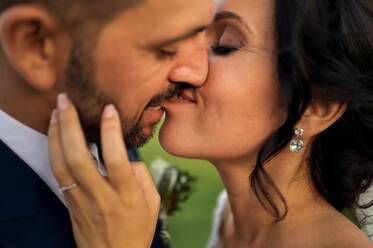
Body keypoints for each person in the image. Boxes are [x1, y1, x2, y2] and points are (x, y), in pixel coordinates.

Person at [48, 0, 373, 247]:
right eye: (191, 34)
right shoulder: (230, 220)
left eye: (224, 46)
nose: (184, 66)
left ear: (318, 107)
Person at [0, 0, 216, 247]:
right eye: (168, 48)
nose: (199, 72)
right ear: (35, 45)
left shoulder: (106, 125)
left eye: (204, 35)